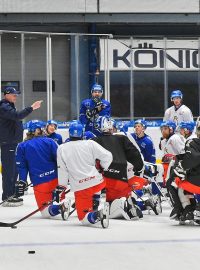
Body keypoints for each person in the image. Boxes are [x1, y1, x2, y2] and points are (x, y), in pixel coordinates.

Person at [56, 121, 113, 228]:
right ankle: (95, 202)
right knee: (95, 185)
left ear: (69, 133)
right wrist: (102, 168)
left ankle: (98, 213)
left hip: (81, 187)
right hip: (98, 183)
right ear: (82, 133)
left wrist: (62, 187)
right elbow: (108, 156)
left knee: (83, 219)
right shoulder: (90, 143)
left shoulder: (61, 148)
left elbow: (62, 171)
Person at [14, 120, 70, 219]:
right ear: (38, 130)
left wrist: (22, 181)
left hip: (40, 183)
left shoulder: (22, 146)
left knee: (45, 211)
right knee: (57, 200)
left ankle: (60, 207)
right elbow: (60, 160)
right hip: (56, 181)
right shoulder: (50, 141)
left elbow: (22, 167)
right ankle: (62, 204)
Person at [93, 116, 144, 220]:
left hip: (106, 176)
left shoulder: (94, 141)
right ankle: (128, 203)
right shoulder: (121, 138)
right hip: (122, 174)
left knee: (108, 203)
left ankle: (117, 205)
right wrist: (138, 168)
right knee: (122, 194)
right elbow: (135, 154)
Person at [0, 86, 42, 206]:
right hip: (8, 143)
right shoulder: (4, 107)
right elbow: (18, 115)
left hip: (12, 142)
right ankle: (7, 196)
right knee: (9, 170)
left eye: (16, 95)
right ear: (6, 95)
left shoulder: (8, 106)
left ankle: (11, 194)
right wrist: (32, 108)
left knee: (14, 170)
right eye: (13, 95)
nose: (15, 97)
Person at [166, 118, 200, 223]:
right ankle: (193, 208)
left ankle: (181, 209)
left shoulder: (192, 140)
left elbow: (193, 158)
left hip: (197, 179)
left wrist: (181, 166)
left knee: (172, 181)